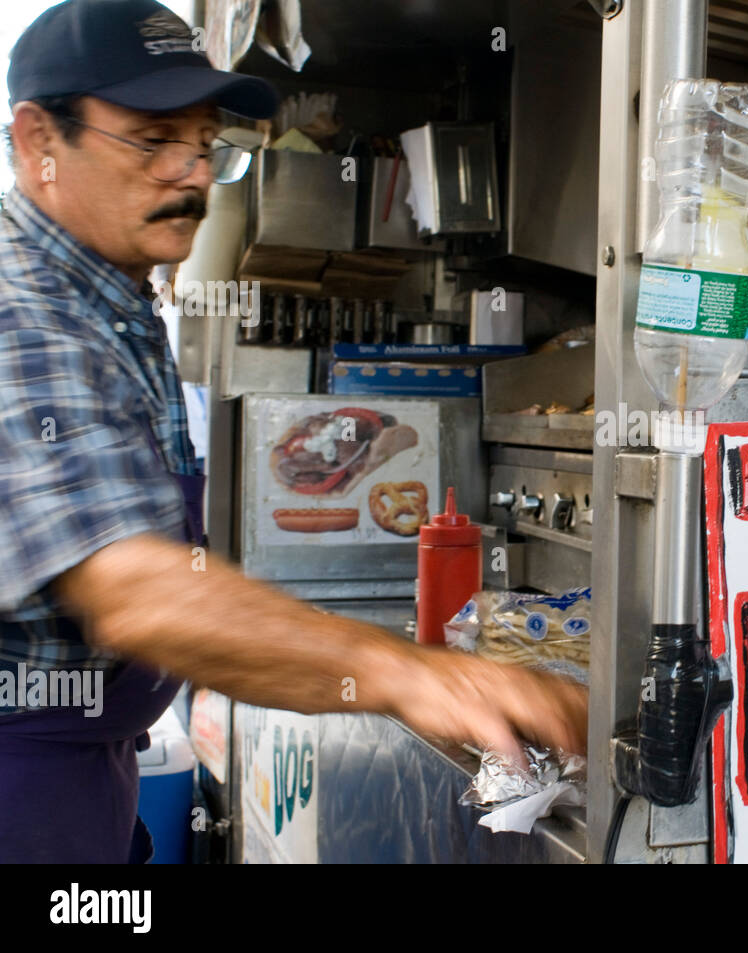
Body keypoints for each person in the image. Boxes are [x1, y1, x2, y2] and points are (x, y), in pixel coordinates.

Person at [0, 0, 586, 863]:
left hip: (85, 779)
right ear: (37, 140)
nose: (190, 174)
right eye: (153, 138)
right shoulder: (23, 310)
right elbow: (134, 589)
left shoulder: (115, 298)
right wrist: (410, 672)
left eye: (206, 145)